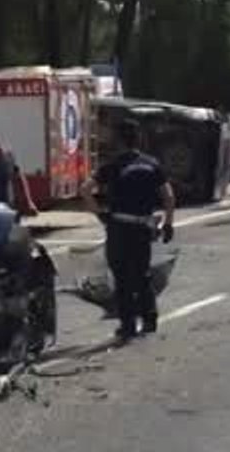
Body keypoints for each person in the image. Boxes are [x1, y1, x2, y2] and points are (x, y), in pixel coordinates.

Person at [81, 120, 176, 341]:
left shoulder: (112, 166)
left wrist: (100, 213)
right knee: (142, 274)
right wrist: (168, 223)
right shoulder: (152, 164)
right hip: (142, 228)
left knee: (122, 278)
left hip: (119, 227)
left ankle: (128, 324)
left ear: (119, 141)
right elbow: (169, 196)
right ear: (137, 140)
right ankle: (150, 318)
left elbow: (85, 189)